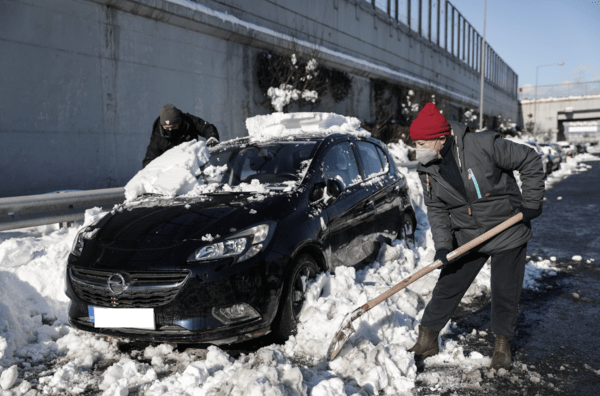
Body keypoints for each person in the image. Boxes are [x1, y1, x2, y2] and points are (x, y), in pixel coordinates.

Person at [407, 103, 545, 370]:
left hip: (506, 228)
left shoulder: (482, 145)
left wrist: (532, 202)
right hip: (468, 235)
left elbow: (530, 159)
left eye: (422, 141)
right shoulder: (427, 167)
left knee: (505, 291)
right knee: (447, 285)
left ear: (439, 137)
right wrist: (443, 245)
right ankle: (427, 338)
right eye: (416, 142)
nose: (418, 148)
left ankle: (502, 346)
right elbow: (436, 208)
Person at [143, 104, 220, 168]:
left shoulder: (189, 121)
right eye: (166, 127)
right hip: (172, 170)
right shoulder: (157, 136)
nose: (170, 130)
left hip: (193, 164)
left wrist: (212, 139)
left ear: (179, 122)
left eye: (173, 127)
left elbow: (207, 128)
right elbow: (149, 160)